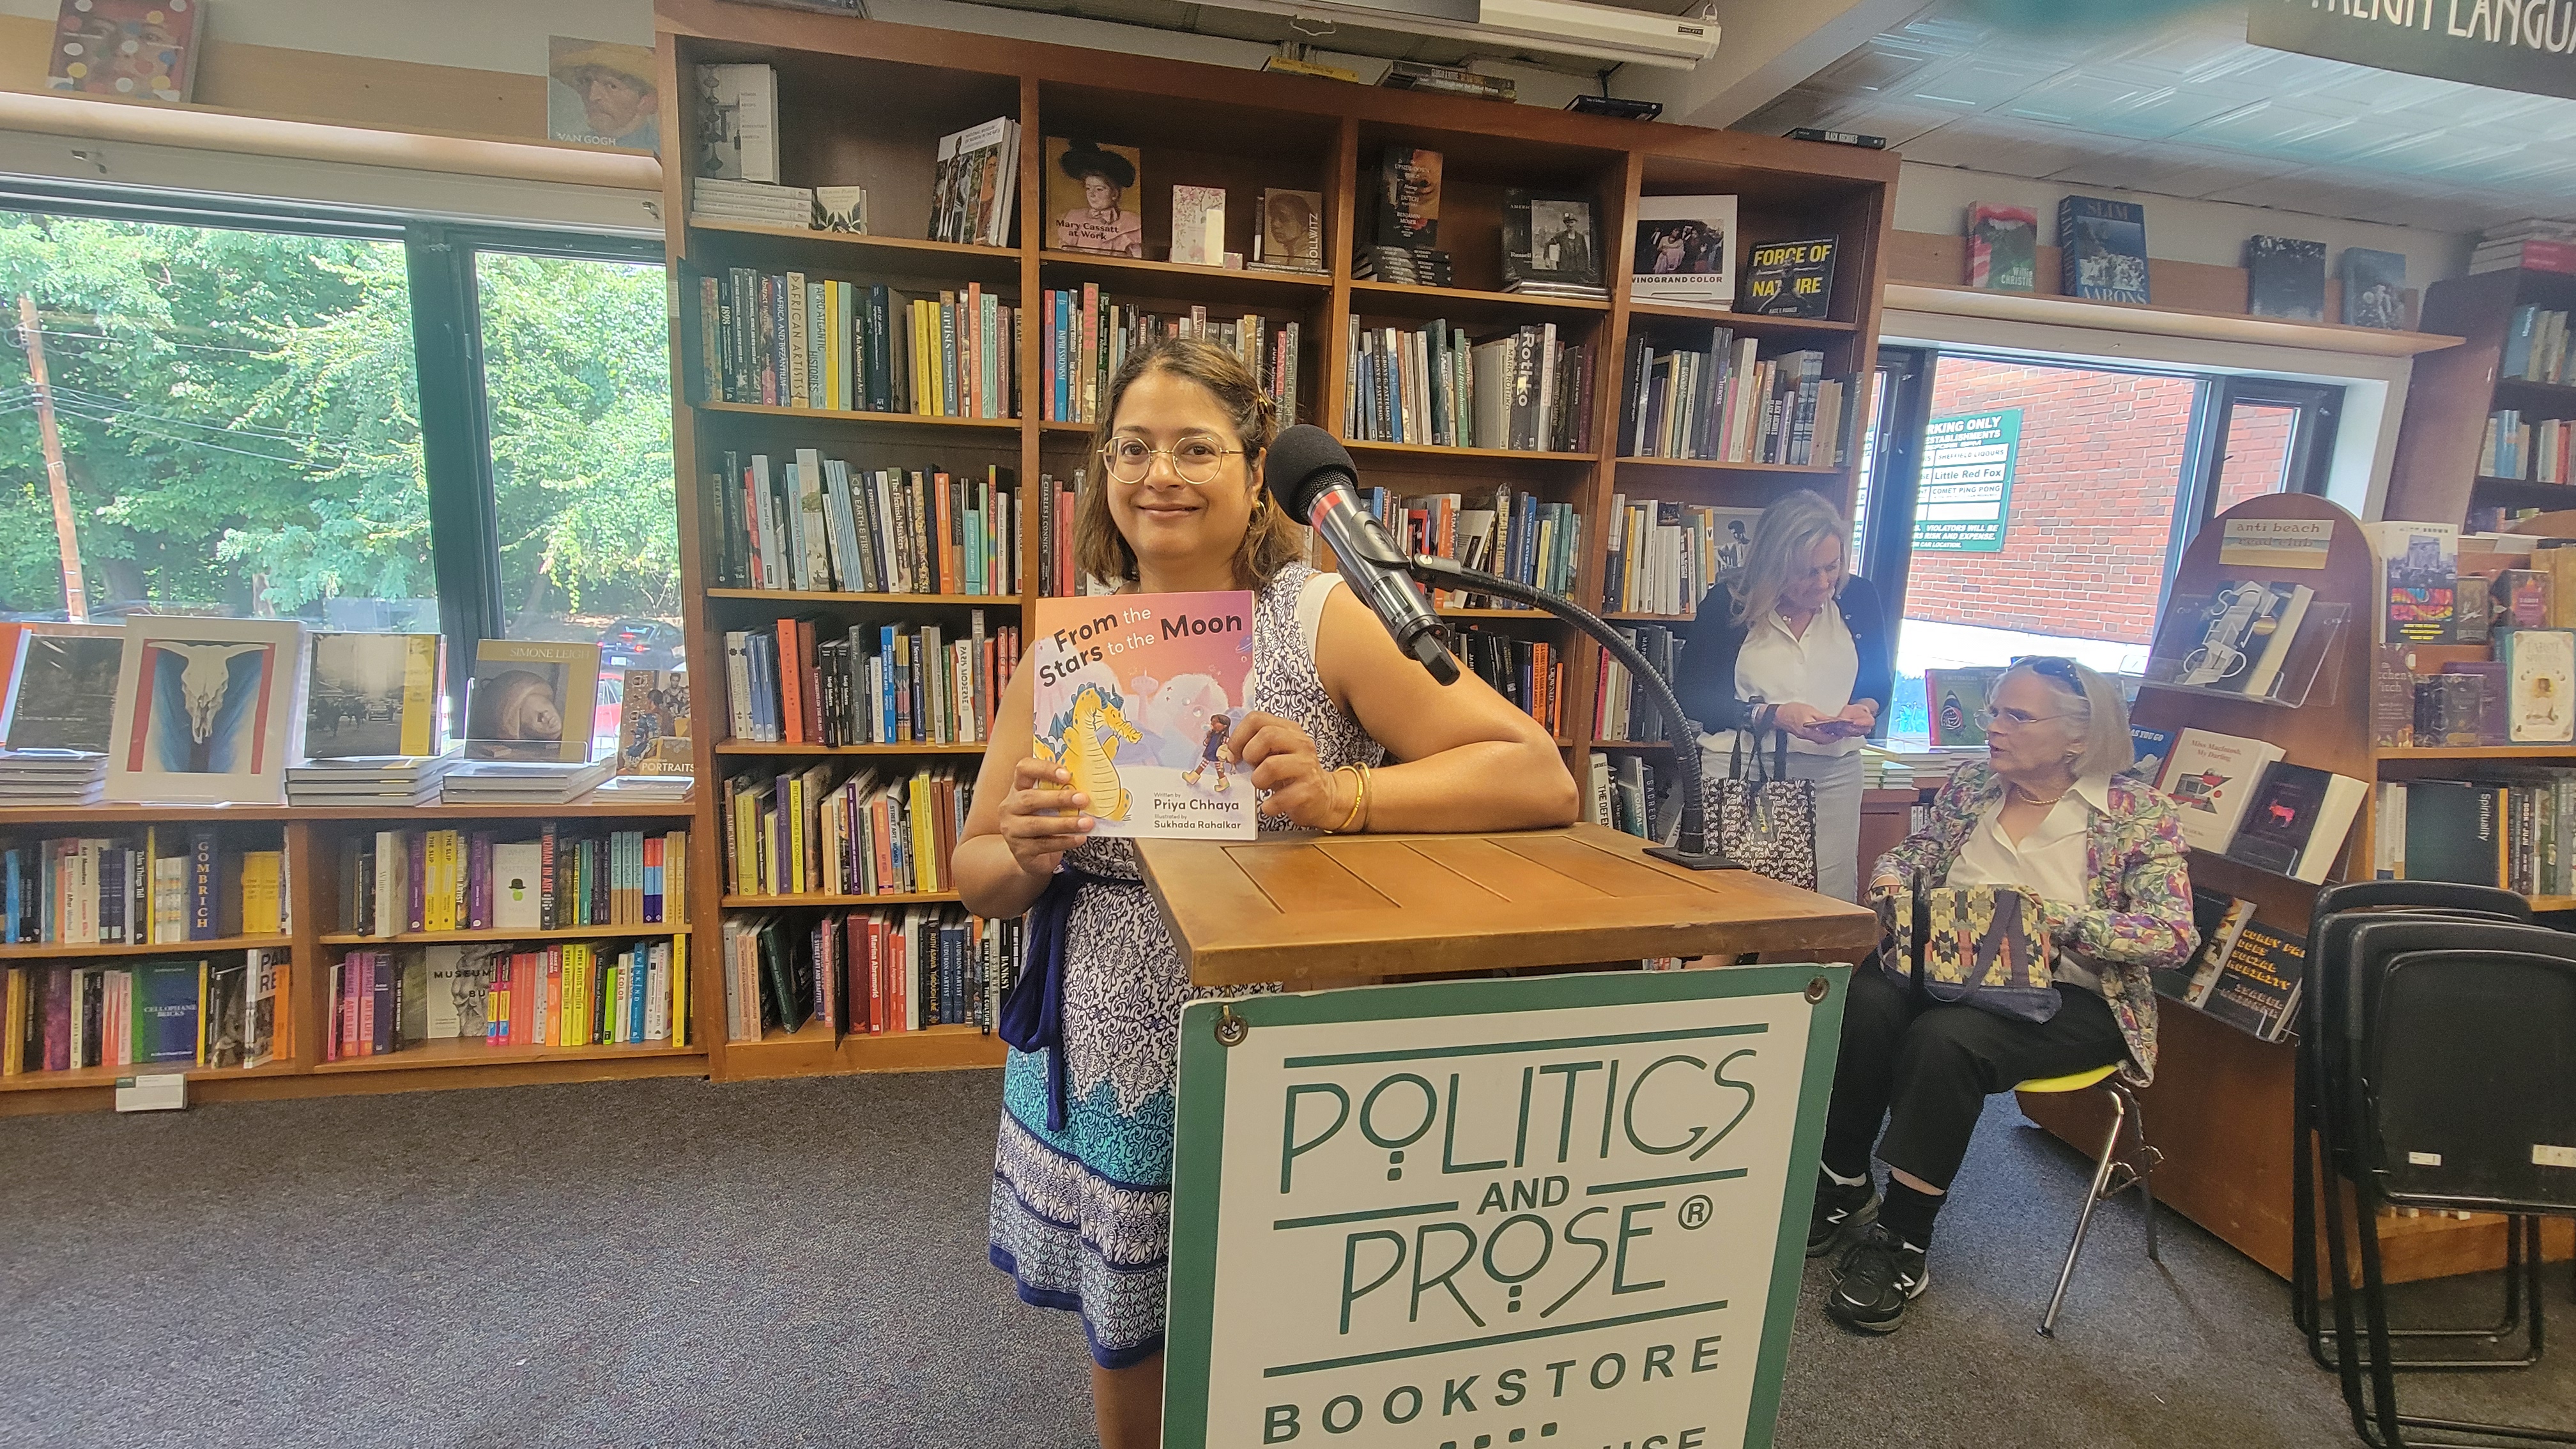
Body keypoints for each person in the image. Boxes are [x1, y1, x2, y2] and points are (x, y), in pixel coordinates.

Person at [956, 337, 1579, 1449]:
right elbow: (978, 878)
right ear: (1103, 471)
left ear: (1253, 474)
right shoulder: (1074, 650)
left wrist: (1341, 794)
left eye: (1195, 446)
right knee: (1130, 1328)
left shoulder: (1320, 613)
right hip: (1114, 1046)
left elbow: (1536, 773)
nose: (1160, 474)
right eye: (1132, 447)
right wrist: (1029, 847)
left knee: (1303, 1311)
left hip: (1292, 1033)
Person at [1811, 657, 2194, 1334]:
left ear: (2078, 735)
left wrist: (2058, 920)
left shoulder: (2138, 815)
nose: (1994, 727)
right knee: (1866, 995)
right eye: (1994, 711)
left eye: (2017, 715)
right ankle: (1843, 1180)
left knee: (1945, 1040)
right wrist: (1891, 881)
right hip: (1953, 970)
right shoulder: (1972, 786)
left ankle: (1903, 1239)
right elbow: (1916, 853)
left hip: (2074, 999)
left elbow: (2172, 936)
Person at [1675, 489, 1890, 901]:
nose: (1825, 582)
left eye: (1833, 566)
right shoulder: (1730, 603)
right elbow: (1693, 695)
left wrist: (1864, 709)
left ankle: (1811, 969)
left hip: (1835, 773)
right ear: (1775, 564)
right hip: (1741, 770)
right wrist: (1772, 715)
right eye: (1809, 572)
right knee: (1734, 894)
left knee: (1827, 899)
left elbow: (1878, 680)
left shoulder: (1859, 598)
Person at [1054, 142, 1144, 257]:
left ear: (1114, 194)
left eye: (1099, 189)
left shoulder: (1131, 223)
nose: (1092, 195)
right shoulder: (1074, 218)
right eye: (1088, 188)